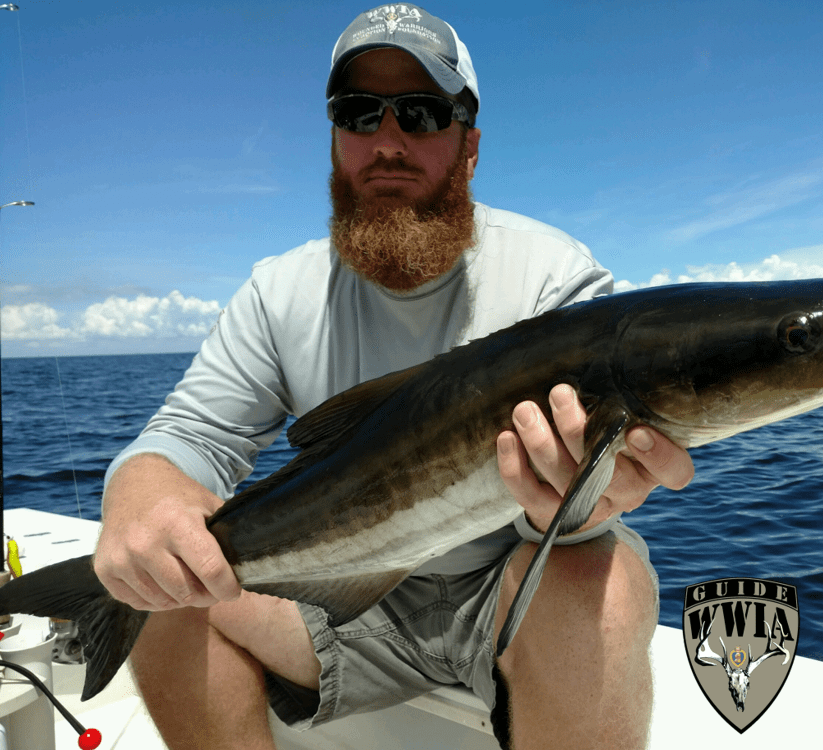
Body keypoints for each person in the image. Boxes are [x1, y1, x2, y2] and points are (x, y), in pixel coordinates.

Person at [94, 6, 693, 750]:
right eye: (358, 114)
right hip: (339, 593)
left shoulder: (553, 276)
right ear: (336, 141)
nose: (387, 143)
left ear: (468, 147)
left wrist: (584, 501)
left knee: (602, 588)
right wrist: (140, 497)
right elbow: (192, 433)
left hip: (510, 582)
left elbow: (586, 502)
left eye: (419, 113)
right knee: (166, 591)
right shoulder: (279, 291)